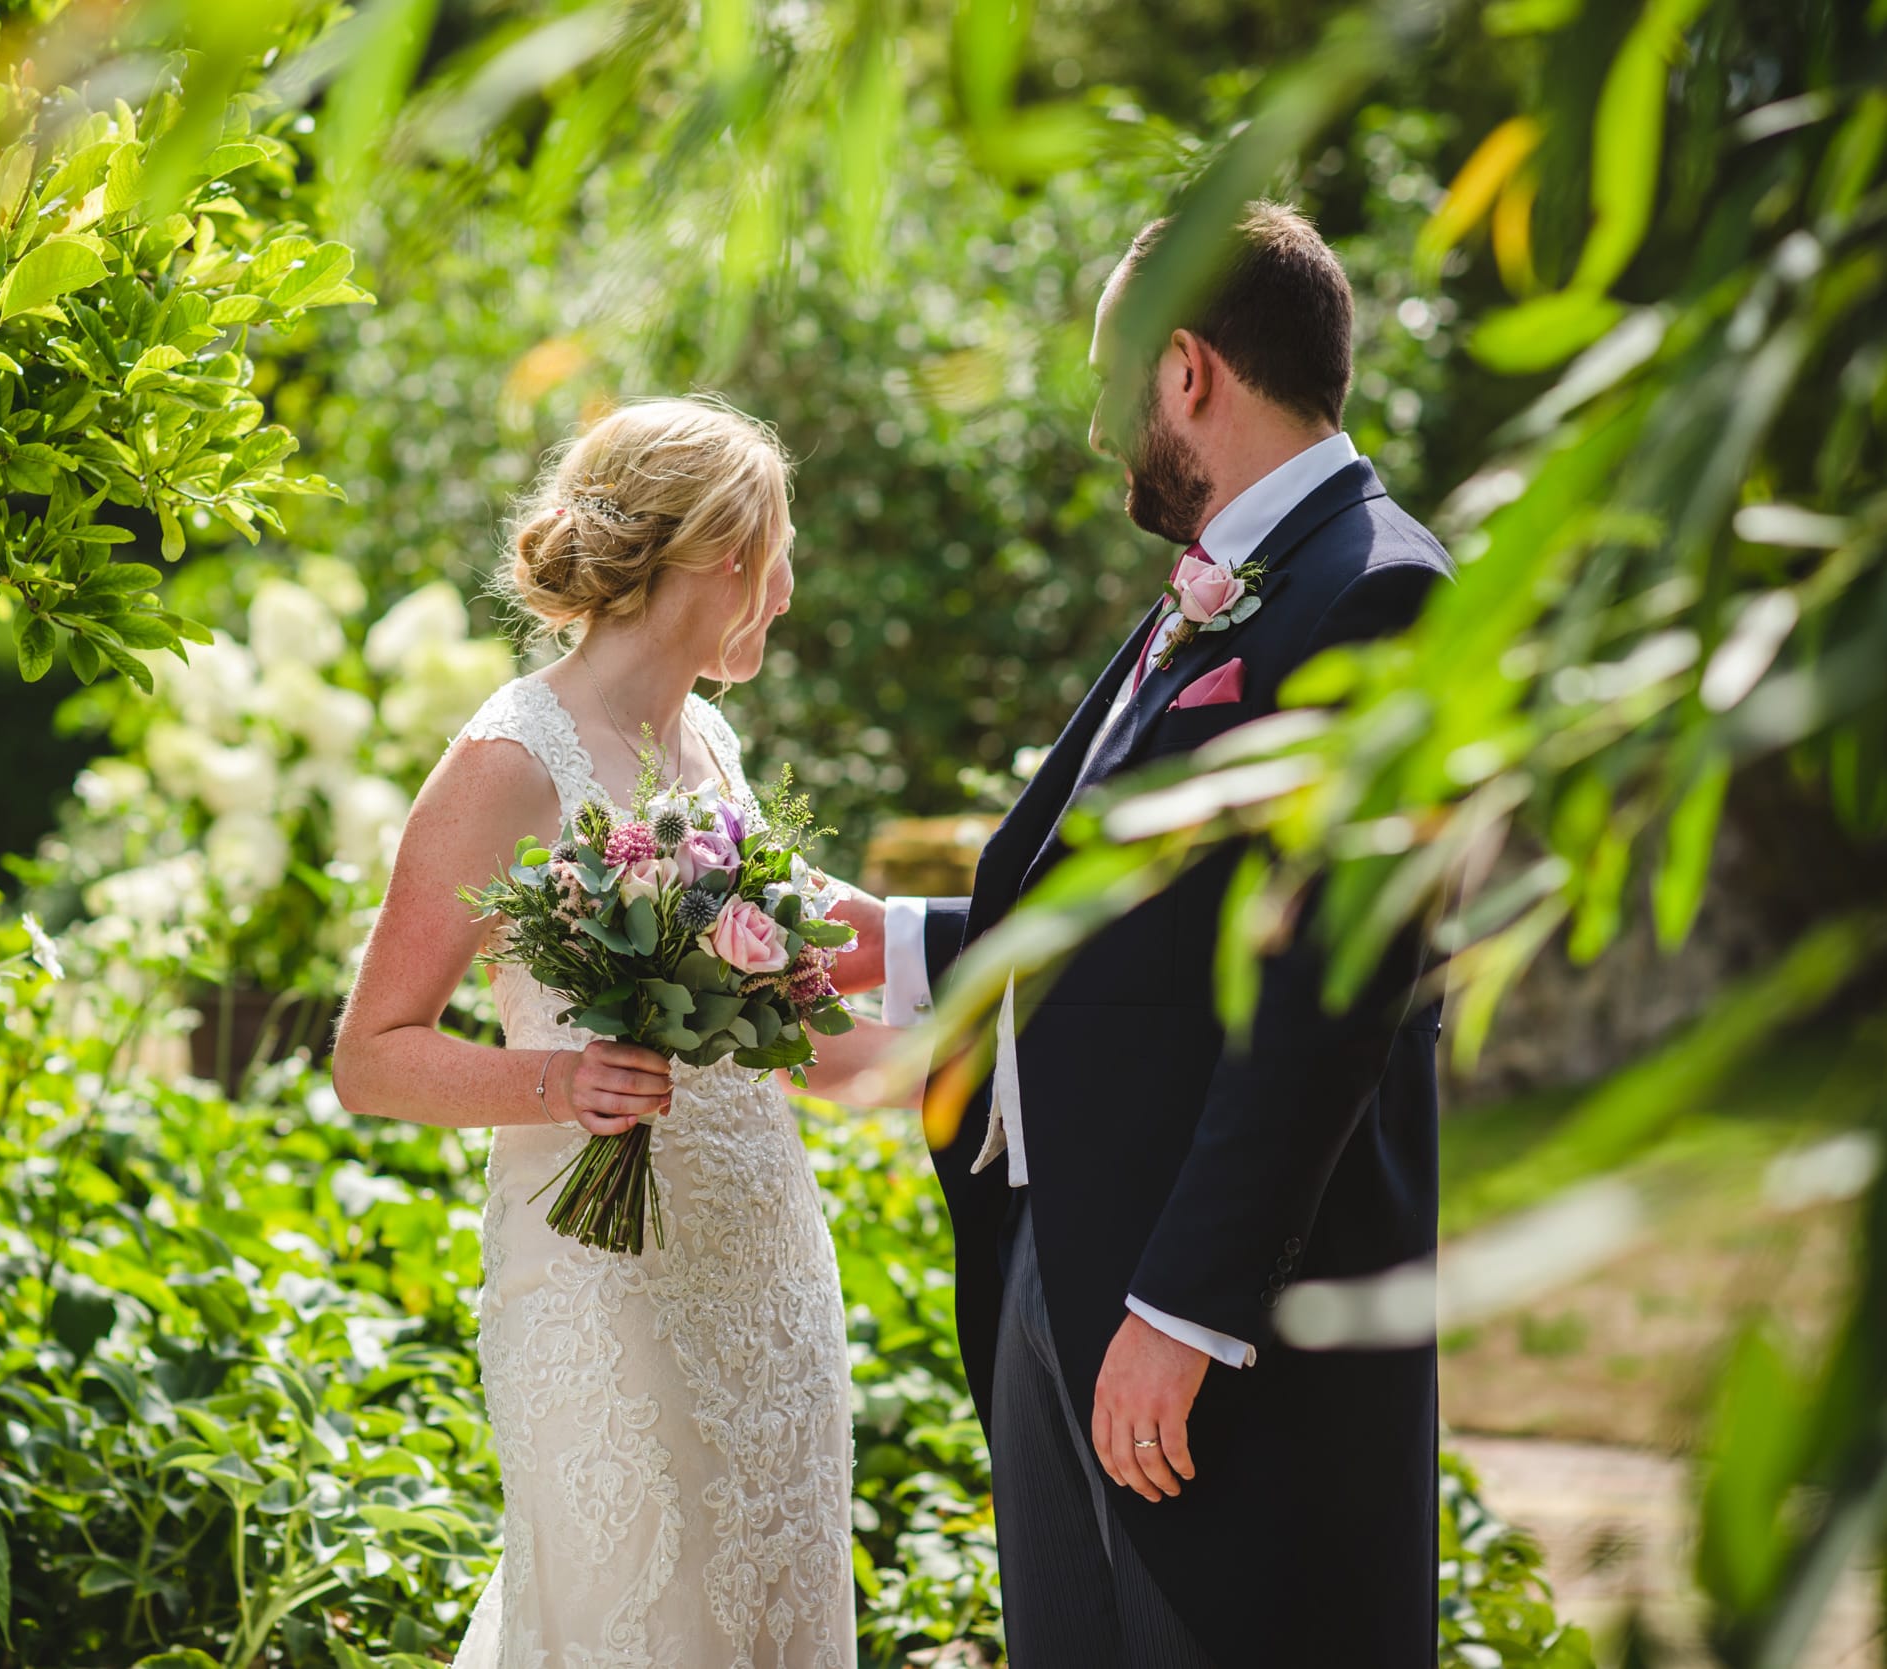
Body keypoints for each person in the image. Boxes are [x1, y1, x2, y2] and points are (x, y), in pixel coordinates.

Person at [830, 202, 1454, 1668]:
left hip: (1213, 1310)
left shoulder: (1377, 593)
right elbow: (1140, 909)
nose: (1106, 424)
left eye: (1115, 380)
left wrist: (1184, 1310)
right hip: (1067, 1253)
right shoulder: (1228, 587)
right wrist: (900, 942)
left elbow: (1329, 987)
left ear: (1184, 371)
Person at [333, 395, 913, 1669]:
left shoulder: (707, 743)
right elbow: (369, 1054)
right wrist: (563, 1081)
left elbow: (792, 1033)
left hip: (765, 1271)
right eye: (782, 547)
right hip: (606, 1284)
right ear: (721, 555)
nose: (791, 582)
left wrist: (1007, 1045)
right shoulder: (505, 761)